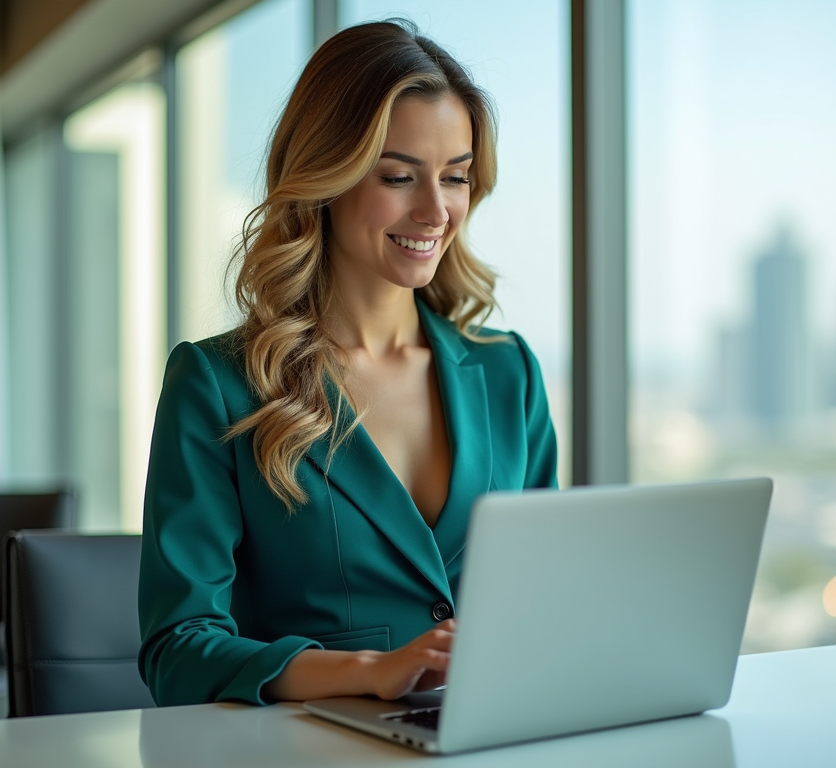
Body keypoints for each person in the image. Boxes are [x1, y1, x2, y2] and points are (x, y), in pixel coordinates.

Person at [137, 20, 558, 707]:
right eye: (398, 177)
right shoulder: (217, 386)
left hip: (489, 739)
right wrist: (368, 672)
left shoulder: (509, 375)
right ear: (324, 177)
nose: (435, 211)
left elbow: (545, 598)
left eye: (454, 177)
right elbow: (178, 650)